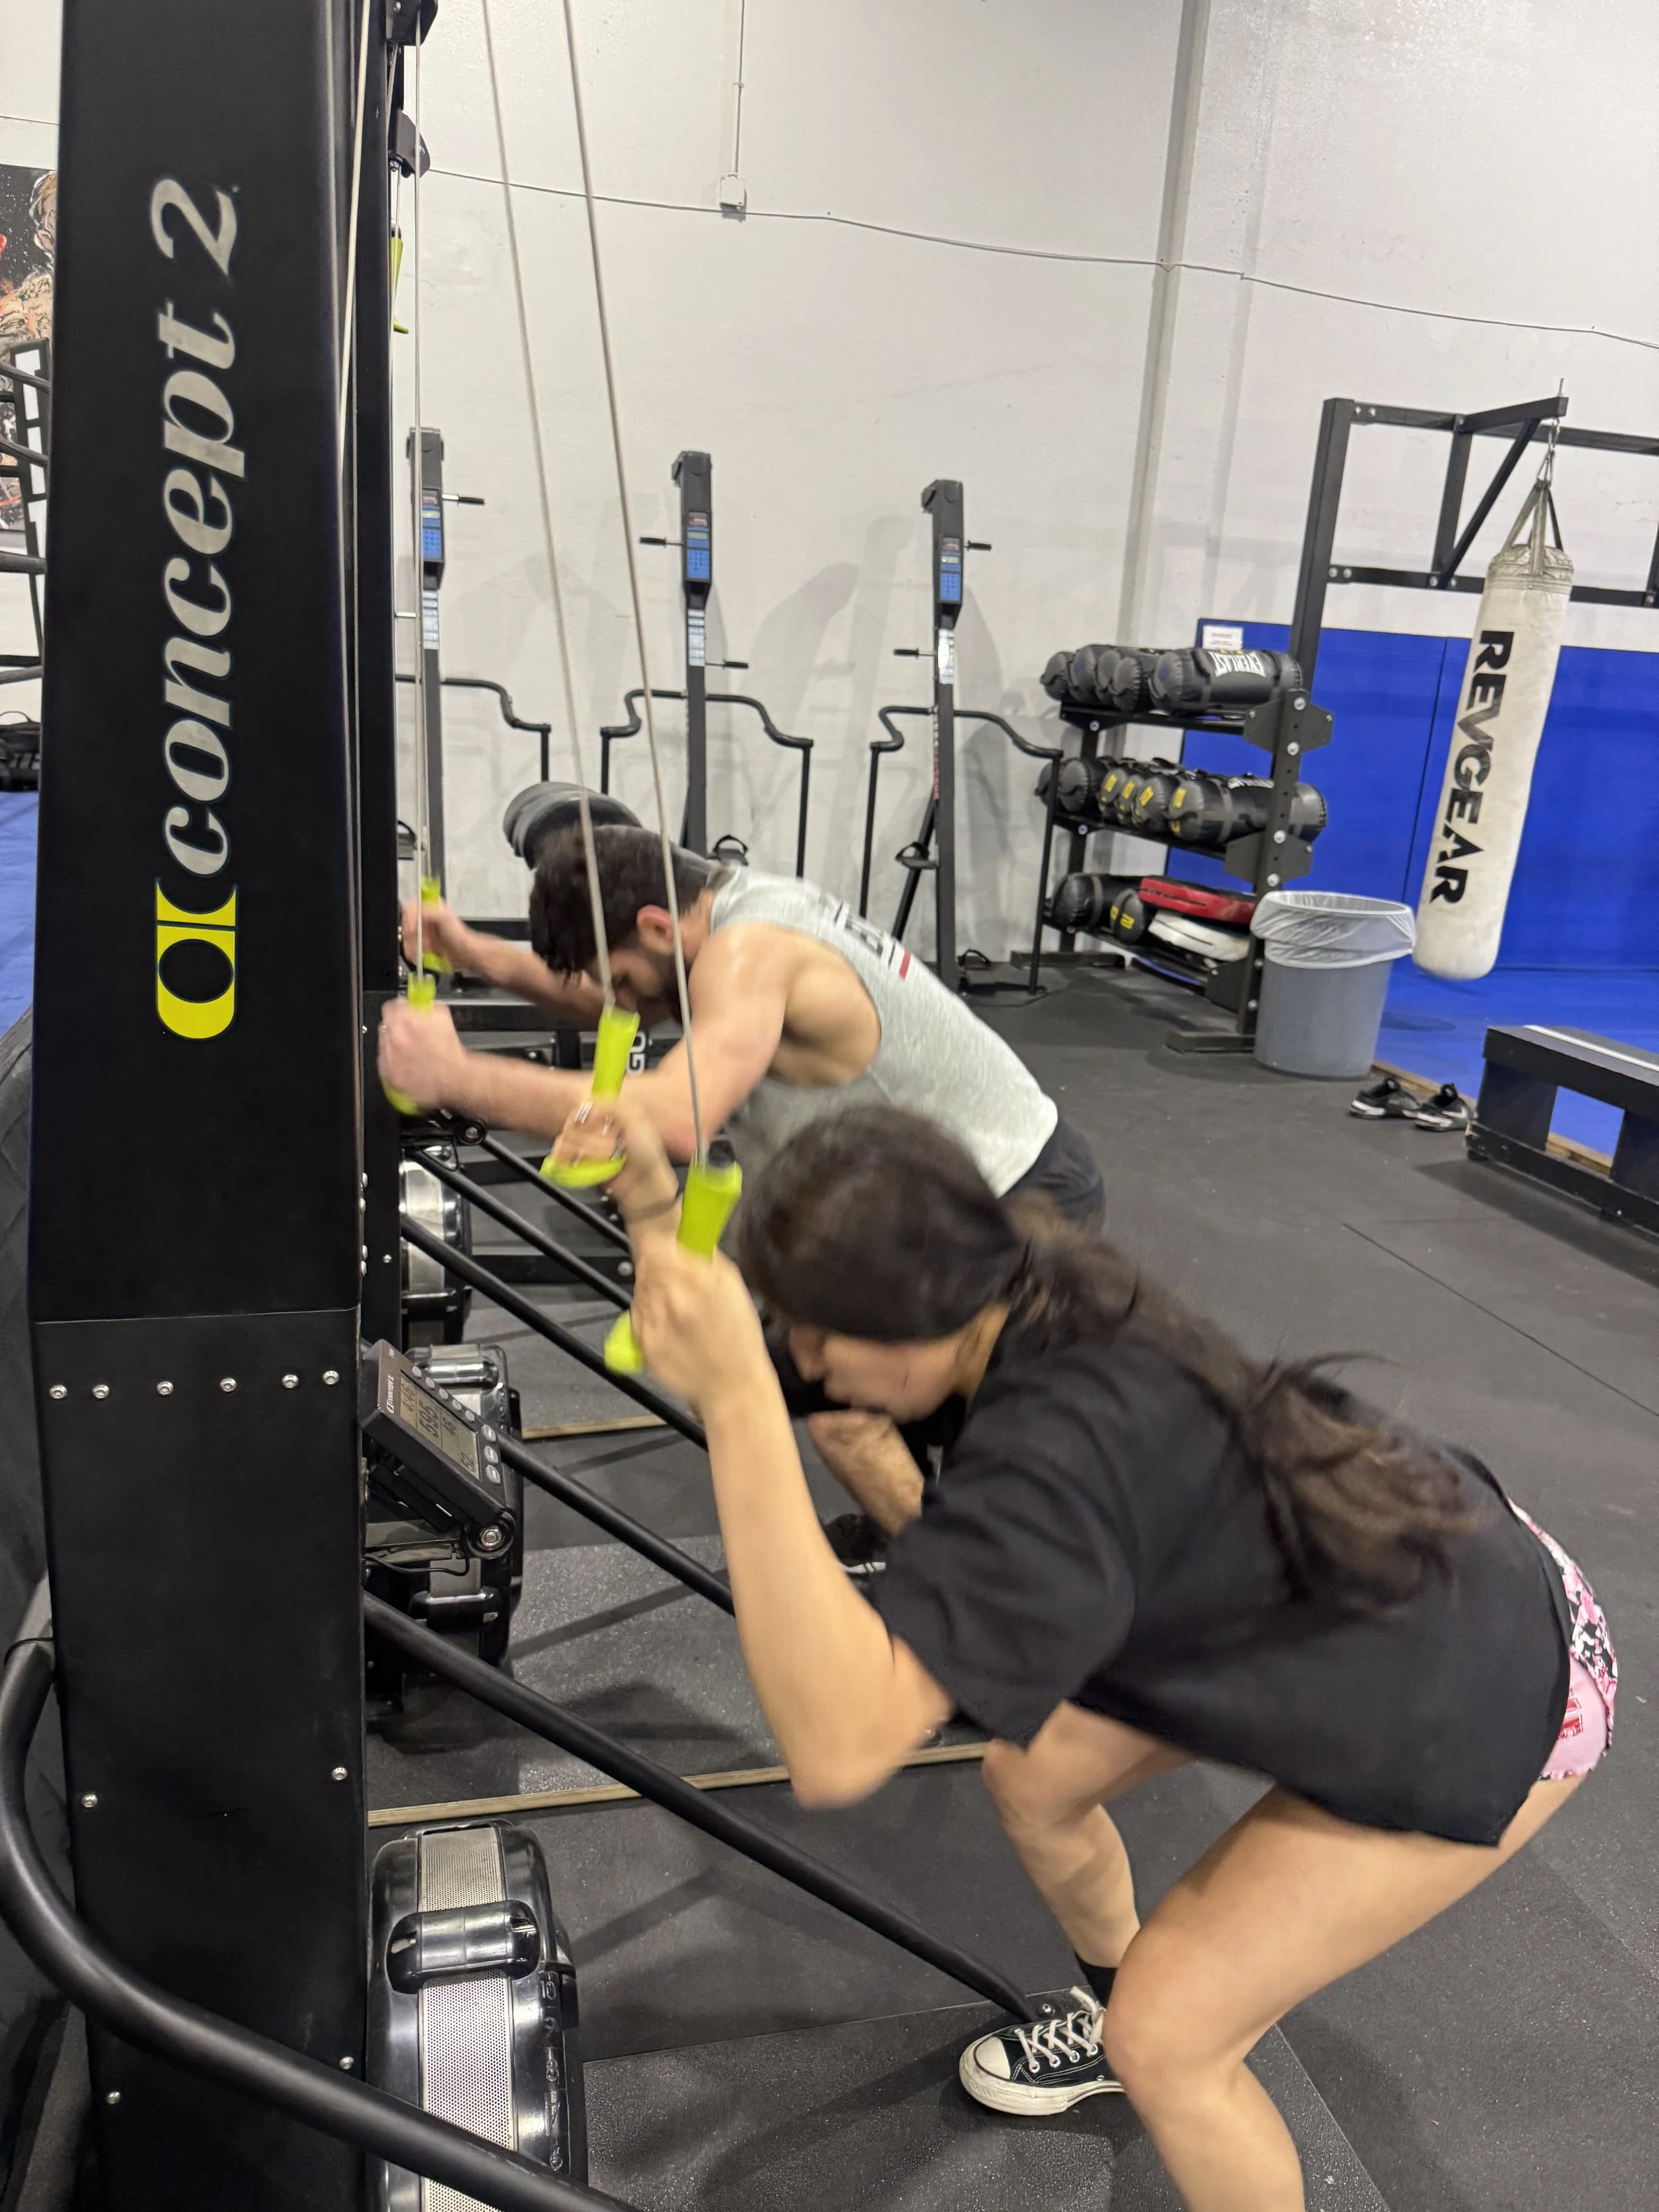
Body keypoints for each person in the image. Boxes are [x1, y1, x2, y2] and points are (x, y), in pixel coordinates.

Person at [548, 1094, 1615, 2212]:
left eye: (818, 1333)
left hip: (1491, 1681)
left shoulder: (1055, 1450)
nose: (804, 1358)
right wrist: (651, 1200)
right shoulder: (999, 1292)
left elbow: (838, 1740)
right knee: (1036, 1775)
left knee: (1175, 2043)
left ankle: (1138, 2040)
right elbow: (754, 1354)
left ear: (913, 1309)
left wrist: (734, 1405)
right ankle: (1111, 2024)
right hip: (1382, 1573)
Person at [378, 825, 1104, 1536]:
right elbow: (614, 994)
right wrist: (475, 953)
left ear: (657, 926)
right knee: (833, 1382)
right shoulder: (724, 909)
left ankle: (969, 1602)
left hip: (1010, 1198)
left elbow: (673, 1119)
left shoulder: (750, 954)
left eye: (624, 978)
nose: (622, 1004)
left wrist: (455, 1077)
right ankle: (926, 1543)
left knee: (854, 1417)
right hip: (936, 1196)